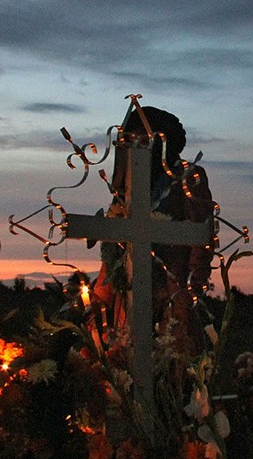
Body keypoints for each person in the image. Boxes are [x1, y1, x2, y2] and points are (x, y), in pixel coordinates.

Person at [90, 105, 215, 355]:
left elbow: (201, 240)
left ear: (162, 141)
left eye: (142, 139)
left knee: (172, 364)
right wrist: (101, 294)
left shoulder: (188, 178)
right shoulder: (127, 188)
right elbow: (114, 245)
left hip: (172, 299)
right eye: (130, 140)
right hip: (129, 297)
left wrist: (184, 296)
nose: (135, 146)